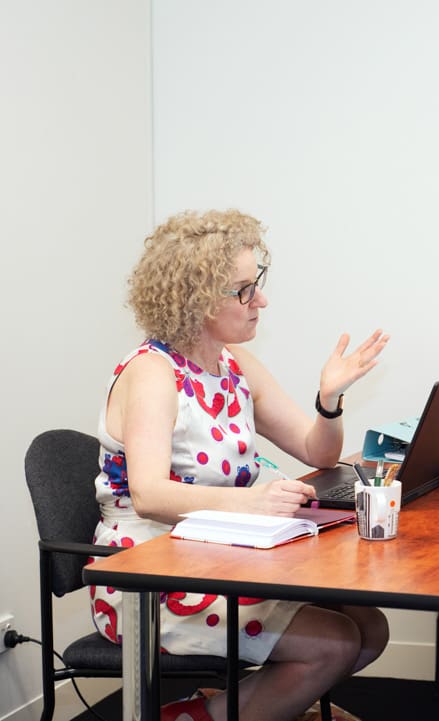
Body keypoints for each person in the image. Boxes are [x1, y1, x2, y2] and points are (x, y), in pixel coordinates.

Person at [89, 209, 391, 721]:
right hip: (147, 574)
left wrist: (329, 399)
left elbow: (317, 453)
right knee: (335, 643)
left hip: (221, 555)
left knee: (370, 630)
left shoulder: (233, 364)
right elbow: (149, 494)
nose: (261, 301)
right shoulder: (152, 375)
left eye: (258, 284)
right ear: (197, 301)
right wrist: (252, 502)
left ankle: (230, 708)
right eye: (244, 291)